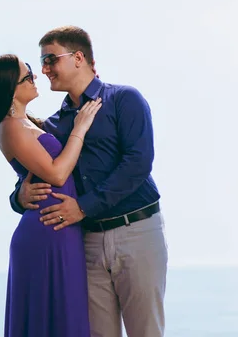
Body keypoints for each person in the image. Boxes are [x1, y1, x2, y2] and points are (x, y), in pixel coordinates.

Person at [9, 26, 168, 337]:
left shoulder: (125, 99)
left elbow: (137, 164)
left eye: (50, 59)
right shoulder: (54, 126)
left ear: (78, 57)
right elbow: (35, 169)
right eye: (42, 62)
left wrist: (83, 207)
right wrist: (19, 196)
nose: (44, 69)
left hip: (136, 232)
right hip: (87, 243)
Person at [0, 54, 102, 337]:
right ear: (10, 88)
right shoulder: (10, 127)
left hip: (60, 227)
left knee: (66, 316)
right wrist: (80, 129)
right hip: (48, 233)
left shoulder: (29, 124)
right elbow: (57, 174)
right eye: (27, 76)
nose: (35, 78)